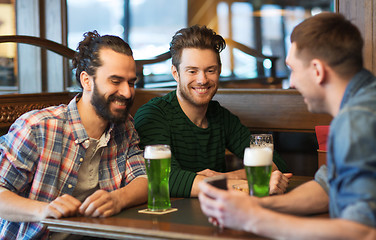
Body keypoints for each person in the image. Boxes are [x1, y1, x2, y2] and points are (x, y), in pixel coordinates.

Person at [198, 12, 376, 239]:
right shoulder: (364, 101)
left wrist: (252, 219)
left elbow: (364, 232)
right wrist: (257, 207)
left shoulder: (357, 120)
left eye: (292, 69)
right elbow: (328, 186)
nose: (291, 83)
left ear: (317, 71)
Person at [0, 31, 148, 239]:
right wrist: (43, 210)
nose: (126, 92)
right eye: (115, 81)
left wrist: (118, 199)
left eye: (131, 83)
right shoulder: (37, 128)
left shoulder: (125, 126)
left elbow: (143, 179)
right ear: (86, 80)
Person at [134, 25, 291, 198]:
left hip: (216, 214)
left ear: (219, 71)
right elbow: (163, 178)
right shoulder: (153, 115)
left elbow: (275, 163)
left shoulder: (221, 116)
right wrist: (252, 182)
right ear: (176, 74)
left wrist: (225, 177)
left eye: (210, 70)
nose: (202, 80)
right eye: (192, 71)